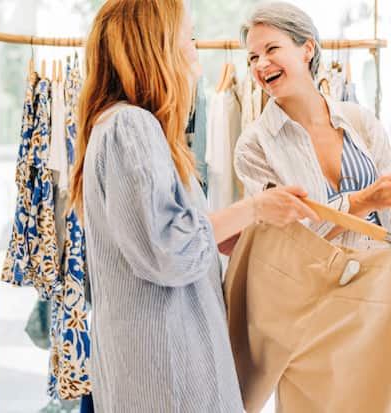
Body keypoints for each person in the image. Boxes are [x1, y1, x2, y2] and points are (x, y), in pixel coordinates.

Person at [67, 0, 319, 411]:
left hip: (157, 367)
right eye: (189, 37)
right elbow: (167, 251)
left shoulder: (116, 126)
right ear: (159, 46)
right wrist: (256, 208)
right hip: (170, 370)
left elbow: (154, 237)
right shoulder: (133, 127)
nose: (196, 48)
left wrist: (217, 235)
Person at [235, 2, 391, 411]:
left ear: (307, 48)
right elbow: (288, 242)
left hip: (382, 297)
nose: (260, 64)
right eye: (253, 56)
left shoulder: (359, 122)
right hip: (314, 313)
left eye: (272, 49)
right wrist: (361, 201)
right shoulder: (255, 145)